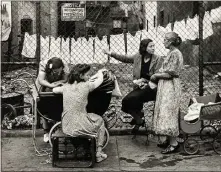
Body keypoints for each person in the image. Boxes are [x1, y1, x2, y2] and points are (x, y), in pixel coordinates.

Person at [103, 39, 163, 134]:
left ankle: (138, 118)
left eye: (153, 46)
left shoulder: (157, 58)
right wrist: (110, 53)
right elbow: (125, 58)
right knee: (125, 102)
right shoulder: (138, 56)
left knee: (131, 99)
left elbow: (158, 75)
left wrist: (145, 81)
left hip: (151, 87)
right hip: (139, 86)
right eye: (150, 46)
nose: (153, 48)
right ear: (144, 48)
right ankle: (138, 117)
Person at [53, 64, 108, 163]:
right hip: (80, 124)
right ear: (81, 76)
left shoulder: (66, 87)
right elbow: (99, 81)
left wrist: (62, 87)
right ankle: (99, 153)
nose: (89, 77)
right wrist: (100, 73)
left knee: (82, 116)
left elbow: (54, 90)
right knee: (100, 120)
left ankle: (85, 146)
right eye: (87, 75)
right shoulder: (86, 85)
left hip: (66, 126)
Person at [152, 32, 183, 154]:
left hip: (170, 87)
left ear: (170, 41)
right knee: (166, 112)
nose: (163, 41)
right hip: (166, 87)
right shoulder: (171, 53)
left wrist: (155, 75)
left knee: (169, 113)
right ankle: (169, 140)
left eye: (165, 39)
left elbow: (171, 73)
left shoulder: (175, 54)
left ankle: (174, 144)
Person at [35, 57, 69, 143]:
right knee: (43, 106)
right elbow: (41, 80)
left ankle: (57, 126)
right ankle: (46, 131)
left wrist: (57, 83)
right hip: (45, 85)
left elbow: (65, 79)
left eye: (58, 71)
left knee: (59, 104)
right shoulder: (44, 64)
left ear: (61, 67)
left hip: (57, 85)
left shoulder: (65, 65)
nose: (56, 73)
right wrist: (51, 86)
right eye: (54, 71)